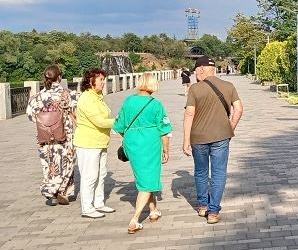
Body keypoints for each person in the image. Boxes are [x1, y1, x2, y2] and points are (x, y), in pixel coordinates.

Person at [183, 56, 243, 224]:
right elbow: (239, 109)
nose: (195, 74)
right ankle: (213, 212)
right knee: (218, 173)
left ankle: (203, 206)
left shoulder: (195, 89)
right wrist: (231, 127)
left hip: (198, 138)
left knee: (201, 172)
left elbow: (189, 114)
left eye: (196, 70)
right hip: (221, 137)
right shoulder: (229, 86)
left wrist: (186, 140)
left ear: (201, 69)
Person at [114, 73, 173, 234]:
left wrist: (130, 138)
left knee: (145, 176)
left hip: (132, 143)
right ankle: (135, 219)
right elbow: (164, 130)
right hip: (150, 143)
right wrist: (166, 149)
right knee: (148, 180)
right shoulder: (156, 105)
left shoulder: (128, 101)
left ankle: (153, 210)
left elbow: (119, 125)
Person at [26, 65, 78, 206]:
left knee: (49, 164)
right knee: (67, 162)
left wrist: (47, 121)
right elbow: (77, 111)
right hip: (65, 135)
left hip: (45, 136)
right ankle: (62, 191)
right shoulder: (68, 94)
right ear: (59, 77)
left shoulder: (37, 97)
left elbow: (30, 116)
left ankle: (51, 192)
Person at [73, 68, 116, 218]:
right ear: (90, 81)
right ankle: (87, 207)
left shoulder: (98, 97)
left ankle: (99, 203)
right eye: (100, 80)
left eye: (104, 79)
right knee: (89, 176)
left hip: (100, 142)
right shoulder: (86, 98)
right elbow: (99, 121)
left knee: (101, 174)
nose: (103, 82)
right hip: (88, 143)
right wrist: (119, 122)